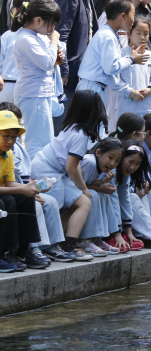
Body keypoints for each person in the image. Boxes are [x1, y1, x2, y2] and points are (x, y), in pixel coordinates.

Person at [30, 90, 108, 262]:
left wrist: (83, 189)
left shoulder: (74, 128)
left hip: (51, 169)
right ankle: (50, 246)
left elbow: (74, 165)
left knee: (83, 202)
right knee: (54, 207)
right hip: (47, 171)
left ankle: (67, 244)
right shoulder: (79, 134)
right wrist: (83, 187)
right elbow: (72, 167)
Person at [54, 0, 105, 133]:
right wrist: (63, 69)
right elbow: (58, 35)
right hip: (67, 79)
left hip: (80, 76)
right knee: (62, 128)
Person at [76, 0, 149, 109]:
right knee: (90, 127)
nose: (133, 20)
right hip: (91, 91)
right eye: (133, 15)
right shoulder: (108, 36)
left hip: (93, 89)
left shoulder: (108, 34)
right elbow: (111, 68)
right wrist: (131, 59)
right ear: (122, 16)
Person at [12, 0, 62, 159]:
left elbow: (48, 62)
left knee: (45, 140)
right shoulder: (26, 38)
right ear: (39, 20)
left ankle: (38, 179)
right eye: (52, 23)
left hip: (39, 93)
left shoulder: (32, 36)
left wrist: (55, 57)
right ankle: (34, 180)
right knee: (37, 143)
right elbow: (47, 63)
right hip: (33, 94)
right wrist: (54, 41)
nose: (53, 28)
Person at [0, 110, 45, 271]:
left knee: (25, 198)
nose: (10, 141)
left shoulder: (8, 154)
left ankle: (23, 251)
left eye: (14, 137)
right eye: (6, 136)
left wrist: (28, 188)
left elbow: (10, 183)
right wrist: (22, 189)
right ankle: (4, 252)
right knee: (8, 200)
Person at [112, 16, 151, 123]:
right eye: (138, 33)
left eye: (146, 33)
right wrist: (131, 92)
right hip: (125, 107)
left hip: (146, 107)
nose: (142, 37)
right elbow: (114, 80)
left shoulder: (150, 56)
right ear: (129, 34)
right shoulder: (121, 54)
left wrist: (150, 89)